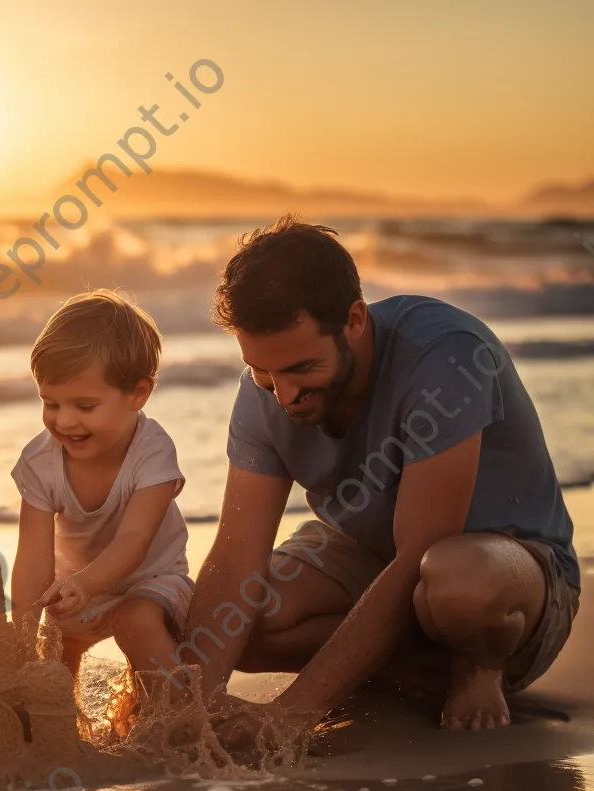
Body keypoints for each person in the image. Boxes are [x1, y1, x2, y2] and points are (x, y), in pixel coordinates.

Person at [183, 215, 580, 733]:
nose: (283, 395)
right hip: (369, 552)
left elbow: (418, 554)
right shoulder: (264, 393)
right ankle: (408, 669)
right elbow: (237, 558)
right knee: (249, 619)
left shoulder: (446, 356)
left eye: (302, 368)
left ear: (354, 320)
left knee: (455, 586)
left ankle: (476, 665)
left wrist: (293, 712)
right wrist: (186, 706)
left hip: (505, 574)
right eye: (263, 371)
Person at [10, 290, 194, 686]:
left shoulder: (152, 451)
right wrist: (19, 637)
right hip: (78, 585)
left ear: (138, 394)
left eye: (85, 406)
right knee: (55, 646)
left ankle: (179, 718)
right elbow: (32, 561)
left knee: (136, 619)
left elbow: (134, 541)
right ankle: (60, 734)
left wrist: (82, 583)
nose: (65, 421)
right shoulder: (39, 462)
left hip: (154, 580)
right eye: (51, 403)